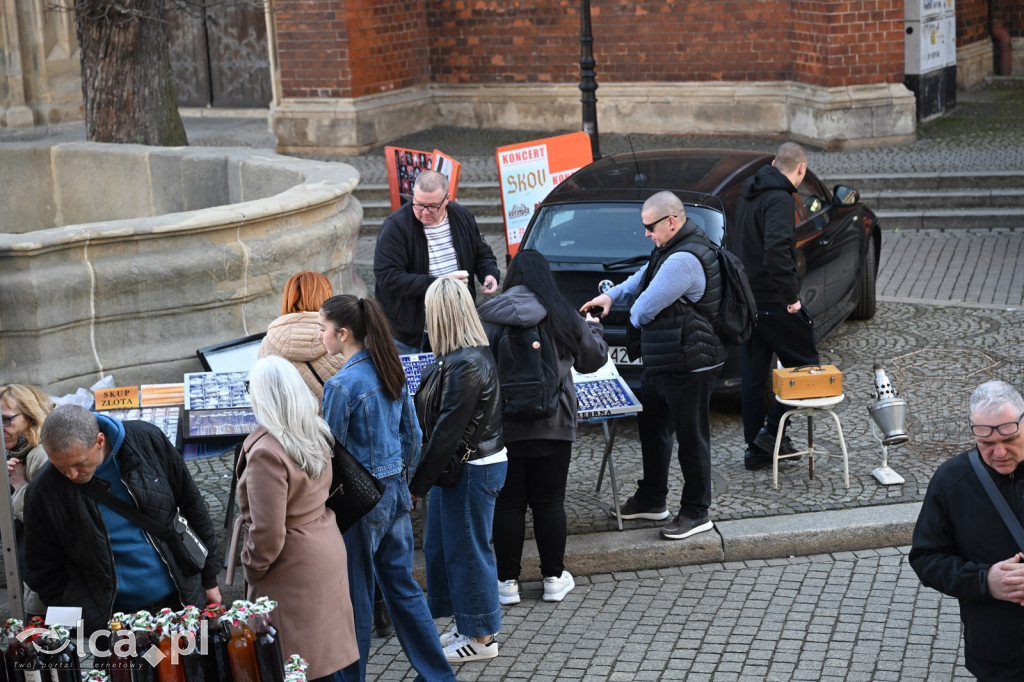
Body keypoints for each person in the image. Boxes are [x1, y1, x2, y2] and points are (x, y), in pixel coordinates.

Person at [318, 295, 456, 682]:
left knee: (355, 597)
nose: (319, 335)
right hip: (394, 494)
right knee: (404, 588)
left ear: (342, 334)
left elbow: (331, 454)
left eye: (322, 328)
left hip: (359, 505)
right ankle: (438, 675)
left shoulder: (341, 385)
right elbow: (412, 436)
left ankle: (351, 677)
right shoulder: (389, 369)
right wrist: (405, 483)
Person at [581, 191, 725, 540]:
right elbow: (642, 277)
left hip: (690, 362)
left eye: (650, 227)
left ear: (672, 221)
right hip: (667, 358)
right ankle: (652, 498)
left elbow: (643, 308)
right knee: (652, 427)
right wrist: (610, 295)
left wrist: (619, 314)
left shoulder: (684, 259)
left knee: (692, 438)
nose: (646, 233)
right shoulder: (669, 248)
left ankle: (695, 511)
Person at [477, 249, 608, 604]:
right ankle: (553, 578)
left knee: (508, 504)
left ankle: (506, 584)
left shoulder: (488, 315)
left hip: (503, 425)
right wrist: (594, 328)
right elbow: (592, 360)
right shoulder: (562, 313)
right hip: (554, 421)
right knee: (550, 502)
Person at [24, 405, 222, 635]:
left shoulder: (146, 440)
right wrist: (83, 618)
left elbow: (193, 506)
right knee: (138, 670)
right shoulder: (43, 491)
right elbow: (42, 569)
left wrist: (209, 580)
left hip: (180, 600)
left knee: (184, 668)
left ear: (100, 441)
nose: (72, 475)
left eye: (79, 463)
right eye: (60, 466)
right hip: (114, 621)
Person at [239, 355, 359, 681]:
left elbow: (267, 532)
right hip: (323, 548)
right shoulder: (315, 431)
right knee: (321, 657)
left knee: (293, 662)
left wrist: (251, 567)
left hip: (290, 567)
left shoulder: (267, 451)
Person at [409, 277, 506, 663]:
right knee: (456, 550)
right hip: (468, 467)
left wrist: (417, 486)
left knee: (468, 551)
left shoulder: (465, 362)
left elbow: (447, 432)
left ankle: (481, 637)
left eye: (430, 311)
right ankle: (471, 626)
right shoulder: (462, 356)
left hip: (471, 468)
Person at [910, 380, 1024, 680]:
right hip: (999, 657)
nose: (999, 453)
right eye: (986, 444)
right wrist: (985, 580)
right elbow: (926, 558)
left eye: (1010, 440)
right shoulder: (951, 481)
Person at [734, 141, 820, 471]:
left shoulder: (749, 190)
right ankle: (771, 434)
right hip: (773, 299)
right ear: (801, 169)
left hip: (748, 299)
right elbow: (775, 252)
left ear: (773, 162)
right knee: (807, 365)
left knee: (754, 376)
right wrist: (792, 298)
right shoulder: (781, 198)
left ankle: (755, 450)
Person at [374, 169, 501, 352]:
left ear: (447, 199)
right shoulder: (395, 226)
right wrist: (439, 283)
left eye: (432, 206)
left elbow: (483, 254)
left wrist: (489, 274)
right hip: (412, 330)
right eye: (418, 204)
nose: (425, 212)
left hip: (458, 323)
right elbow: (387, 277)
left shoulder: (463, 216)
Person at [2, 384, 54, 616]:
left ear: (30, 417)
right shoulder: (17, 454)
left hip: (49, 582)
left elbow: (49, 520)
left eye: (6, 420)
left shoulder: (41, 454)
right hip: (32, 575)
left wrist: (20, 486)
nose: (1, 428)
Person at [259, 270, 345, 402]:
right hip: (331, 422)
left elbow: (264, 393)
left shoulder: (268, 342)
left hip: (287, 422)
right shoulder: (340, 338)